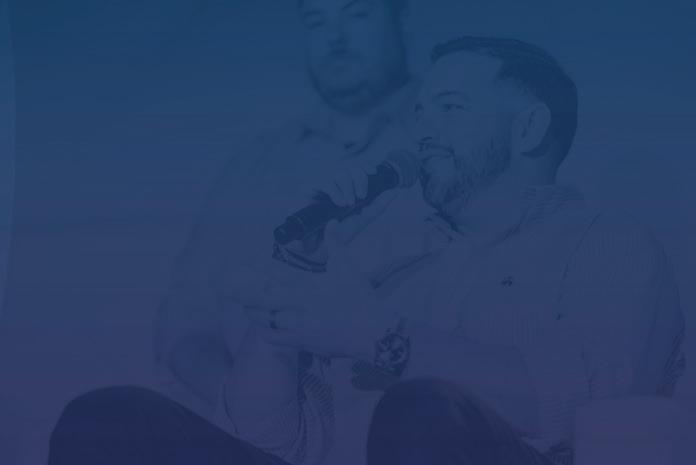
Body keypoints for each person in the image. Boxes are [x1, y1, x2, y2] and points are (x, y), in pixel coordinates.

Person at [48, 36, 685, 465]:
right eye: (420, 111)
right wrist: (295, 280)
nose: (423, 129)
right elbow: (270, 440)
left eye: (450, 107)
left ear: (529, 127)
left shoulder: (608, 244)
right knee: (110, 418)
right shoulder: (386, 265)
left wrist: (379, 334)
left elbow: (584, 403)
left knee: (426, 409)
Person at [153, 0, 425, 413]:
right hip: (255, 425)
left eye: (357, 13)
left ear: (402, 18)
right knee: (102, 416)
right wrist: (245, 412)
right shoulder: (255, 165)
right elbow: (186, 319)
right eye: (316, 19)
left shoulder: (456, 144)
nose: (335, 38)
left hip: (411, 423)